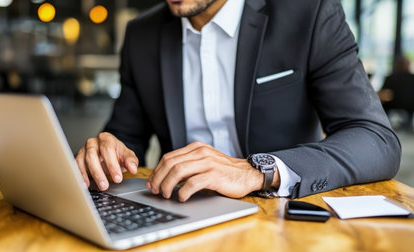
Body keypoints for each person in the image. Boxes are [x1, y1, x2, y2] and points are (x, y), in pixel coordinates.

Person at [76, 0, 401, 202]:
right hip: (178, 215)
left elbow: (376, 139)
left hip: (281, 217)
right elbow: (125, 136)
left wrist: (257, 171)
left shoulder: (309, 12)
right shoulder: (141, 34)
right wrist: (106, 153)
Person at [379, 56, 414, 130]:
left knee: (382, 104)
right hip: (410, 105)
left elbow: (383, 93)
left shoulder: (390, 78)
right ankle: (408, 125)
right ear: (408, 65)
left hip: (392, 103)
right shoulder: (412, 78)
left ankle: (384, 124)